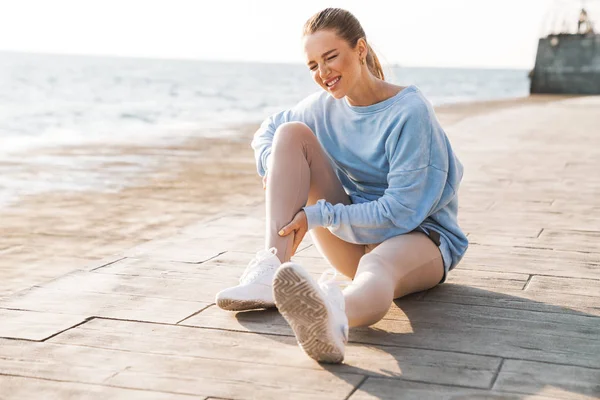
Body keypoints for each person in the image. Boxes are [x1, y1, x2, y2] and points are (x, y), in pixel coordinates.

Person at [215, 7, 468, 364]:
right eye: (313, 65)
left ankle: (333, 315)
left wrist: (316, 215)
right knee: (290, 134)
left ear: (360, 49)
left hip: (421, 239)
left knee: (376, 268)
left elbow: (402, 212)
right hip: (354, 238)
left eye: (331, 57)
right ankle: (271, 266)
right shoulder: (323, 107)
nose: (323, 73)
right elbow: (268, 129)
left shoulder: (410, 112)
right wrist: (273, 165)